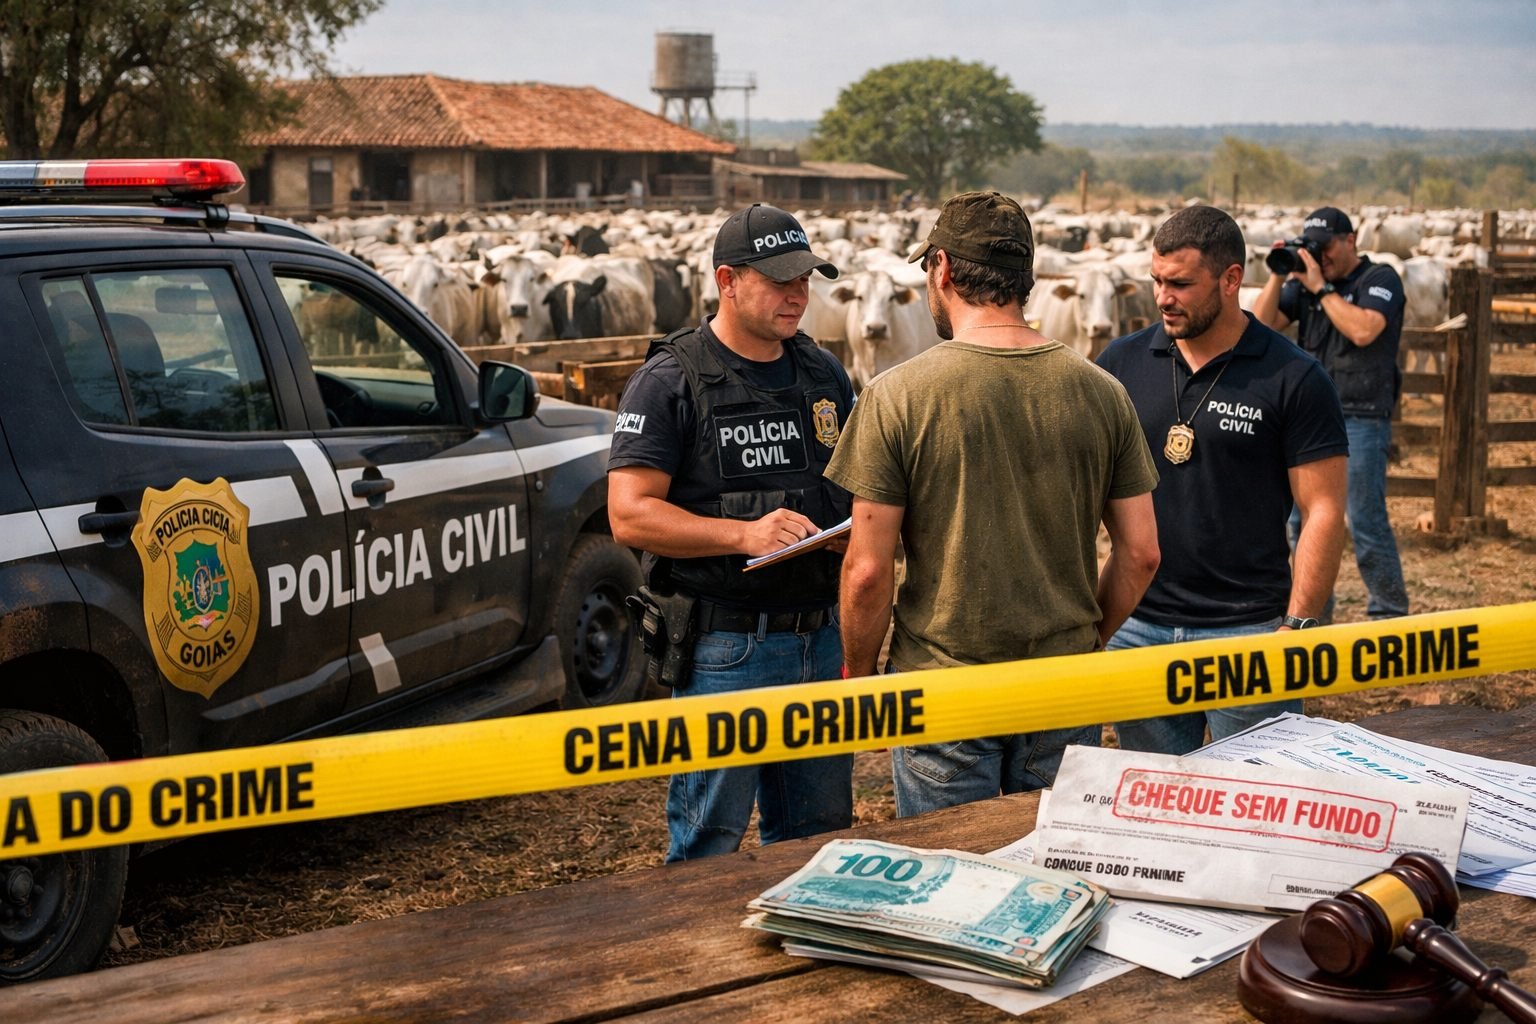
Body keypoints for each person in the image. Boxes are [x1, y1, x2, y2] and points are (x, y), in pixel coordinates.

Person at [826, 191, 1162, 815]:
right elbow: (1141, 553)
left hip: (944, 689)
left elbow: (868, 570)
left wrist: (859, 678)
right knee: (1051, 859)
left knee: (949, 865)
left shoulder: (896, 396)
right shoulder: (1103, 391)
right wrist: (1086, 639)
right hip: (1064, 684)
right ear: (1026, 279)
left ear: (943, 269)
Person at [607, 203, 856, 861]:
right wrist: (743, 536)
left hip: (819, 637)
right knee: (708, 843)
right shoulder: (670, 380)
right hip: (727, 647)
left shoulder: (824, 373)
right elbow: (629, 513)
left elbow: (853, 480)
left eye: (804, 279)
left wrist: (850, 528)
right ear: (728, 281)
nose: (798, 295)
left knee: (818, 838)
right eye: (779, 280)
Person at [1096, 205, 1349, 755]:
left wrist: (1298, 628)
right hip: (1139, 627)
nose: (1163, 297)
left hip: (1249, 633)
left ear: (1231, 279)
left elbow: (1324, 509)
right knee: (1156, 791)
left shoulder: (1293, 376)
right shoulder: (1121, 364)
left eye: (1181, 284)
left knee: (1258, 793)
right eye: (1157, 281)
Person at [1252, 206, 1410, 621]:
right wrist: (1279, 273)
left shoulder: (1379, 279)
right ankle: (1312, 618)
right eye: (1313, 248)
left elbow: (1364, 330)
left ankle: (1389, 615)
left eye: (1326, 247)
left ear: (1350, 240)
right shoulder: (1305, 284)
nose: (1320, 257)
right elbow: (1258, 327)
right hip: (1308, 421)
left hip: (1361, 416)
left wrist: (1321, 289)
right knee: (1301, 524)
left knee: (1364, 520)